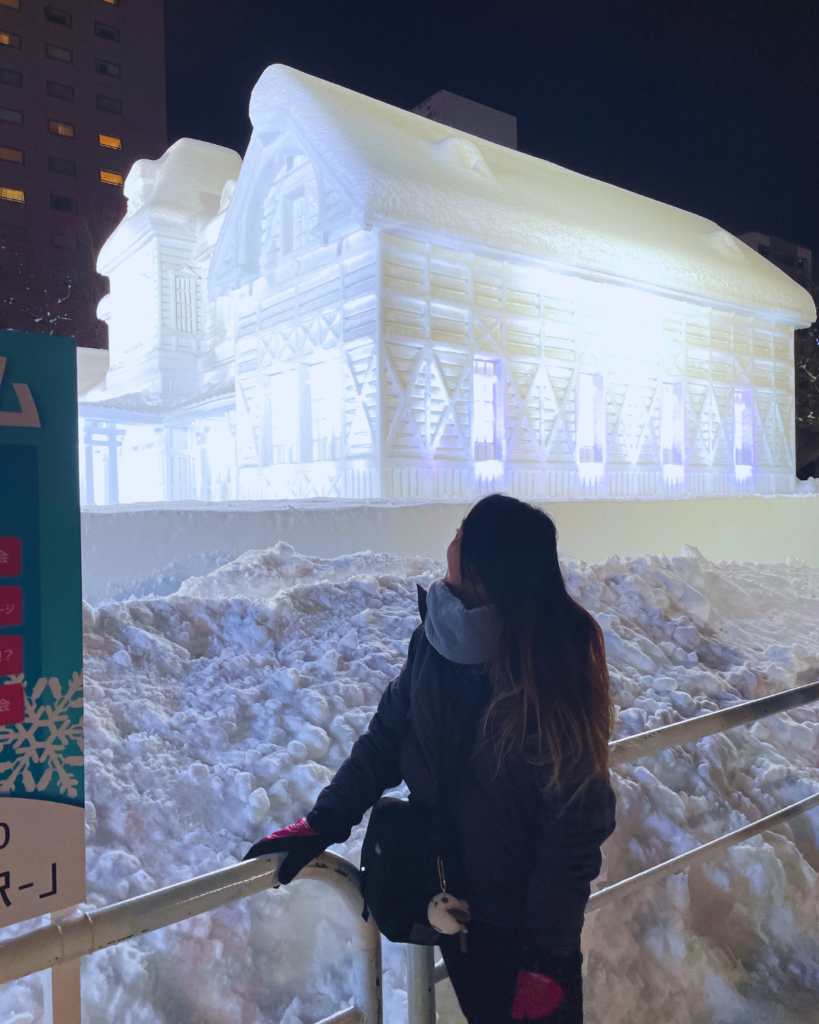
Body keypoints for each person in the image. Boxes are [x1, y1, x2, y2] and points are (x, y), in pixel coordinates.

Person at [245, 494, 617, 1022]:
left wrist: (544, 957)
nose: (451, 543)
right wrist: (321, 822)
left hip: (525, 934)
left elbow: (575, 828)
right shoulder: (434, 641)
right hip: (452, 907)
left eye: (463, 535)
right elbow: (386, 740)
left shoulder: (552, 667)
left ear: (490, 567)